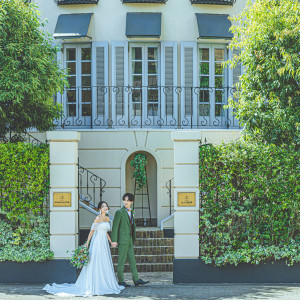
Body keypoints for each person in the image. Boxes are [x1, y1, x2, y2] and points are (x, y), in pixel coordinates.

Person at [43, 201, 124, 297]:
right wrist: (87, 242)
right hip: (97, 243)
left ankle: (104, 282)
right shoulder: (98, 218)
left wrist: (111, 242)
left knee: (104, 261)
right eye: (103, 207)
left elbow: (105, 232)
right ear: (99, 209)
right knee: (96, 261)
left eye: (106, 206)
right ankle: (94, 284)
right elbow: (92, 231)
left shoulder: (107, 218)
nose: (105, 208)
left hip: (104, 243)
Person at [111, 193, 150, 287]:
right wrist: (114, 240)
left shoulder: (131, 211)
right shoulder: (119, 212)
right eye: (124, 200)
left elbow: (132, 225)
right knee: (121, 261)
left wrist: (133, 237)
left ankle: (136, 280)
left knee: (132, 261)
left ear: (131, 202)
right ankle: (121, 280)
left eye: (128, 200)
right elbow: (115, 227)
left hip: (129, 240)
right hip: (122, 240)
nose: (126, 202)